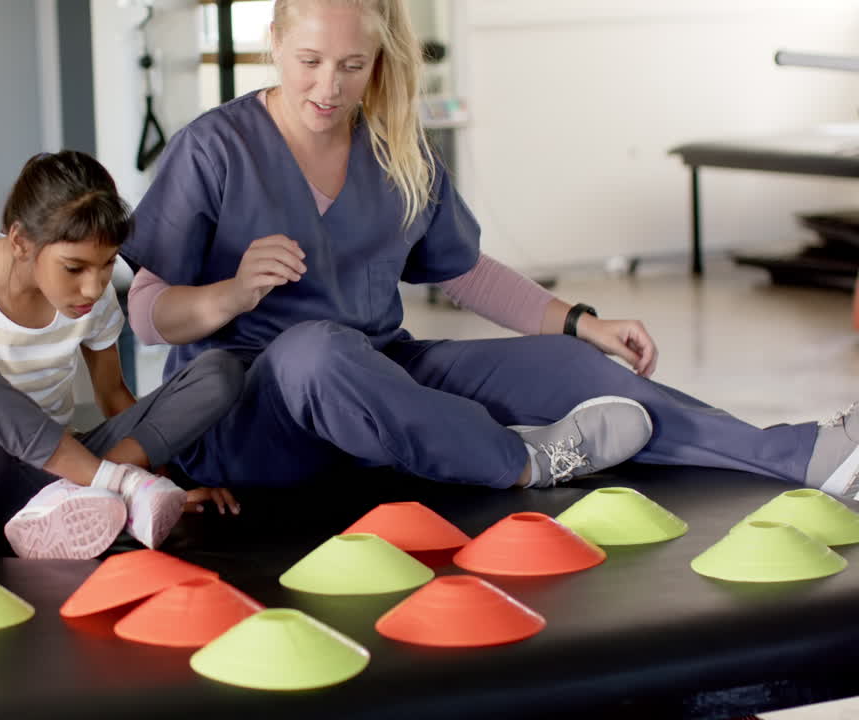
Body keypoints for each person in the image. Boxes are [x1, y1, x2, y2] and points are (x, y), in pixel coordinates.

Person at [120, 0, 859, 501]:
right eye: (310, 60)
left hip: (379, 373)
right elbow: (147, 314)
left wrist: (579, 323)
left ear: (377, 59)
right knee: (314, 351)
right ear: (274, 42)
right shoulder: (214, 149)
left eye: (352, 65)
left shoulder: (393, 146)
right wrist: (233, 293)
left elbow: (463, 269)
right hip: (253, 417)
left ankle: (798, 456)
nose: (329, 85)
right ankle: (520, 461)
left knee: (573, 370)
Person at [0, 150, 244, 564]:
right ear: (21, 242)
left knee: (219, 373)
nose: (93, 288)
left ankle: (86, 489)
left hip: (58, 473)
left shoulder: (93, 301)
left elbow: (114, 397)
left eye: (107, 265)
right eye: (74, 268)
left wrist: (168, 482)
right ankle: (111, 483)